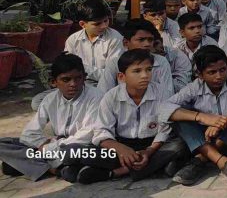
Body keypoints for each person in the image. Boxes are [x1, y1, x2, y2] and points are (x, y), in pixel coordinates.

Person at [61, 49, 189, 184]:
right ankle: (150, 167)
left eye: (149, 70)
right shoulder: (111, 97)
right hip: (119, 148)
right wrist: (121, 149)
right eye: (137, 71)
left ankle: (115, 172)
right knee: (73, 151)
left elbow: (164, 129)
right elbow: (101, 131)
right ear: (122, 77)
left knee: (179, 145)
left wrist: (148, 152)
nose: (145, 75)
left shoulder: (162, 93)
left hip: (152, 146)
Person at [159, 46, 227, 186]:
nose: (219, 76)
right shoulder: (194, 88)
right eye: (212, 72)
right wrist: (202, 117)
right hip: (204, 137)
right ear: (200, 74)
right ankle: (224, 162)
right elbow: (164, 108)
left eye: (222, 70)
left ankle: (201, 159)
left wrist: (225, 120)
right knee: (179, 119)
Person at [0, 54, 104, 181]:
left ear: (84, 78)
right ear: (53, 82)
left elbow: (88, 135)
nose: (73, 84)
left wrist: (50, 147)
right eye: (66, 80)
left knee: (73, 152)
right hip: (55, 146)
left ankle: (33, 164)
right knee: (4, 144)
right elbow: (29, 133)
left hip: (78, 146)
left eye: (78, 78)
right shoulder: (50, 99)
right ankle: (52, 169)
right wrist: (43, 143)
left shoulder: (96, 97)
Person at [64, 0, 124, 86]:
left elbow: (111, 75)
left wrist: (82, 69)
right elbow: (68, 68)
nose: (104, 26)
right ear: (82, 24)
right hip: (79, 85)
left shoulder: (115, 38)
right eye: (97, 24)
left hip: (107, 86)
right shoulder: (73, 40)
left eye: (106, 21)